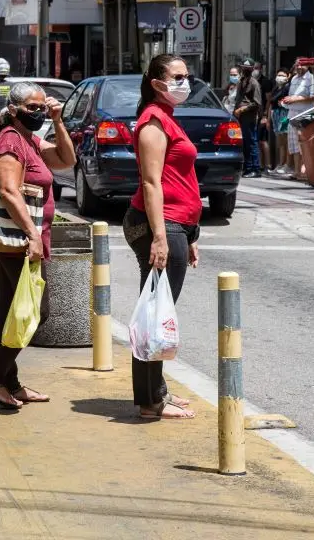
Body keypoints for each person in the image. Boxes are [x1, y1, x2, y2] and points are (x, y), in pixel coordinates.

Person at [0, 82, 76, 409]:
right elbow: (8, 190)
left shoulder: (28, 139)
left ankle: (11, 383)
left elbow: (65, 159)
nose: (39, 113)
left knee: (8, 310)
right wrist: (33, 235)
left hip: (22, 239)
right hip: (19, 240)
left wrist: (58, 122)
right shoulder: (9, 142)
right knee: (37, 310)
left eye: (42, 107)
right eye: (32, 108)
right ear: (14, 109)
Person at [124, 55, 200, 419]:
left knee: (161, 311)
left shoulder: (168, 118)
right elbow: (151, 183)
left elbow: (180, 179)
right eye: (178, 77)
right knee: (155, 315)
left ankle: (158, 391)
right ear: (157, 83)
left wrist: (190, 233)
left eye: (187, 76)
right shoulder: (152, 123)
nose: (186, 82)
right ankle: (150, 400)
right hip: (160, 223)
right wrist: (160, 237)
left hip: (175, 224)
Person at [282, 59, 314, 180]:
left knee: (303, 145)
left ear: (307, 66)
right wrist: (287, 100)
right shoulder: (293, 78)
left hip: (304, 116)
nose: (298, 67)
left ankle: (305, 172)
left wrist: (296, 99)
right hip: (292, 114)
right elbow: (292, 95)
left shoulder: (311, 78)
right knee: (294, 146)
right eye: (297, 65)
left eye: (301, 65)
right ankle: (297, 171)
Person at [224, 60, 262, 177]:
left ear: (252, 69)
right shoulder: (241, 81)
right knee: (243, 143)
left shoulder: (254, 83)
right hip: (239, 117)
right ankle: (247, 167)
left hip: (248, 117)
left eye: (247, 68)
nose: (245, 70)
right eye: (243, 67)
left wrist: (242, 109)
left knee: (251, 143)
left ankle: (255, 168)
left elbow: (257, 103)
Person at [268, 69, 291, 174]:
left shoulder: (288, 87)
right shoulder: (276, 88)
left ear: (288, 76)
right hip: (276, 113)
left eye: (282, 75)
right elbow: (271, 103)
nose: (280, 77)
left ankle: (287, 164)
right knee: (280, 141)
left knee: (286, 139)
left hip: (284, 113)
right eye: (278, 75)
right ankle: (280, 163)